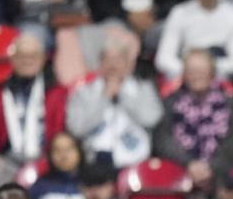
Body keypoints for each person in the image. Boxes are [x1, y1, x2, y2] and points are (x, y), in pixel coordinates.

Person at [0, 34, 67, 194]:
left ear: (43, 59)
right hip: (8, 159)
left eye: (33, 55)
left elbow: (62, 130)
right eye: (21, 55)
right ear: (12, 59)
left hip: (47, 159)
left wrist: (50, 160)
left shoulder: (57, 93)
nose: (27, 60)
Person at [66, 40, 162, 168]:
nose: (113, 65)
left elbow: (151, 120)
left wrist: (124, 96)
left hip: (136, 164)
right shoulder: (84, 92)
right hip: (94, 164)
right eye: (108, 59)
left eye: (118, 59)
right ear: (100, 63)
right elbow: (76, 128)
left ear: (128, 64)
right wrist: (104, 98)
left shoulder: (143, 88)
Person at [152, 49, 233, 193]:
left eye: (202, 70)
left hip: (220, 178)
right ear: (184, 74)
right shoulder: (169, 102)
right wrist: (189, 163)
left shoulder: (229, 103)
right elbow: (163, 140)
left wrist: (211, 166)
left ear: (212, 73)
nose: (197, 76)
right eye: (192, 71)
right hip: (178, 175)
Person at [28, 130, 83, 199]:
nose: (63, 155)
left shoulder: (89, 185)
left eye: (68, 149)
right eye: (57, 151)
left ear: (79, 152)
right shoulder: (40, 186)